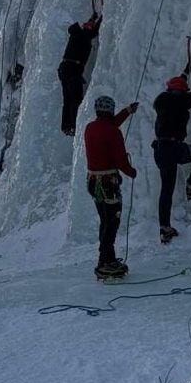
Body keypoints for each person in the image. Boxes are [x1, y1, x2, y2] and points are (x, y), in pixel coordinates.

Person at [152, 62, 191, 244]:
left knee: (166, 189)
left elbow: (177, 86)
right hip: (174, 148)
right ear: (182, 92)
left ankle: (164, 227)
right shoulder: (181, 101)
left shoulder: (161, 100)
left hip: (160, 150)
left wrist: (186, 71)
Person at [83, 94, 138, 278]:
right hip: (108, 183)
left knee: (105, 220)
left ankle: (107, 258)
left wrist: (127, 111)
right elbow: (120, 159)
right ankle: (105, 262)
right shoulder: (113, 132)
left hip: (93, 182)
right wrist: (131, 171)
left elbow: (108, 126)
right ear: (110, 110)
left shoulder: (90, 128)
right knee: (112, 222)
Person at [58, 12, 102, 135]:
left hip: (65, 69)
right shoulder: (84, 35)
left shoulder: (77, 33)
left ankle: (66, 126)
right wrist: (103, 17)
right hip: (73, 70)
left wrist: (93, 17)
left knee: (67, 99)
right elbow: (94, 31)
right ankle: (74, 125)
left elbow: (89, 29)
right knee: (75, 99)